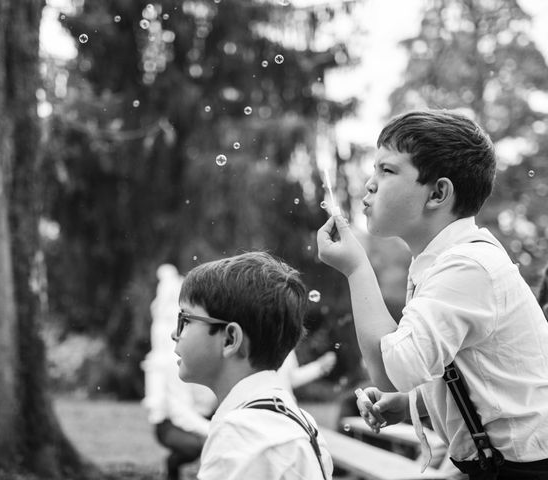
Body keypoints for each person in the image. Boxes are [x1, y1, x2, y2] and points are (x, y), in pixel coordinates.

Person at [316, 110, 548, 480]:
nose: (370, 184)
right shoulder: (444, 264)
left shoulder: (466, 268)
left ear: (438, 192)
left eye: (387, 171)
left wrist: (357, 269)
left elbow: (391, 373)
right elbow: (485, 383)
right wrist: (412, 404)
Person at [172, 251, 334, 480]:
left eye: (186, 320)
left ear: (230, 339)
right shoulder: (301, 421)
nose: (173, 334)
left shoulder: (241, 436)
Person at [142, 264, 217, 480]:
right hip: (173, 421)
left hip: (194, 413)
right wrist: (209, 429)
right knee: (197, 445)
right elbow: (180, 411)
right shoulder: (167, 361)